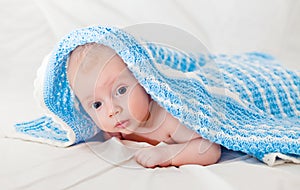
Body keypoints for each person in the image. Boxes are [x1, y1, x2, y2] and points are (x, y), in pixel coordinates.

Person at [67, 43, 221, 168]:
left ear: (142, 80)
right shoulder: (118, 125)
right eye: (97, 104)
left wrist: (168, 154)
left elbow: (210, 149)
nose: (112, 110)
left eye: (121, 90)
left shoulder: (169, 118)